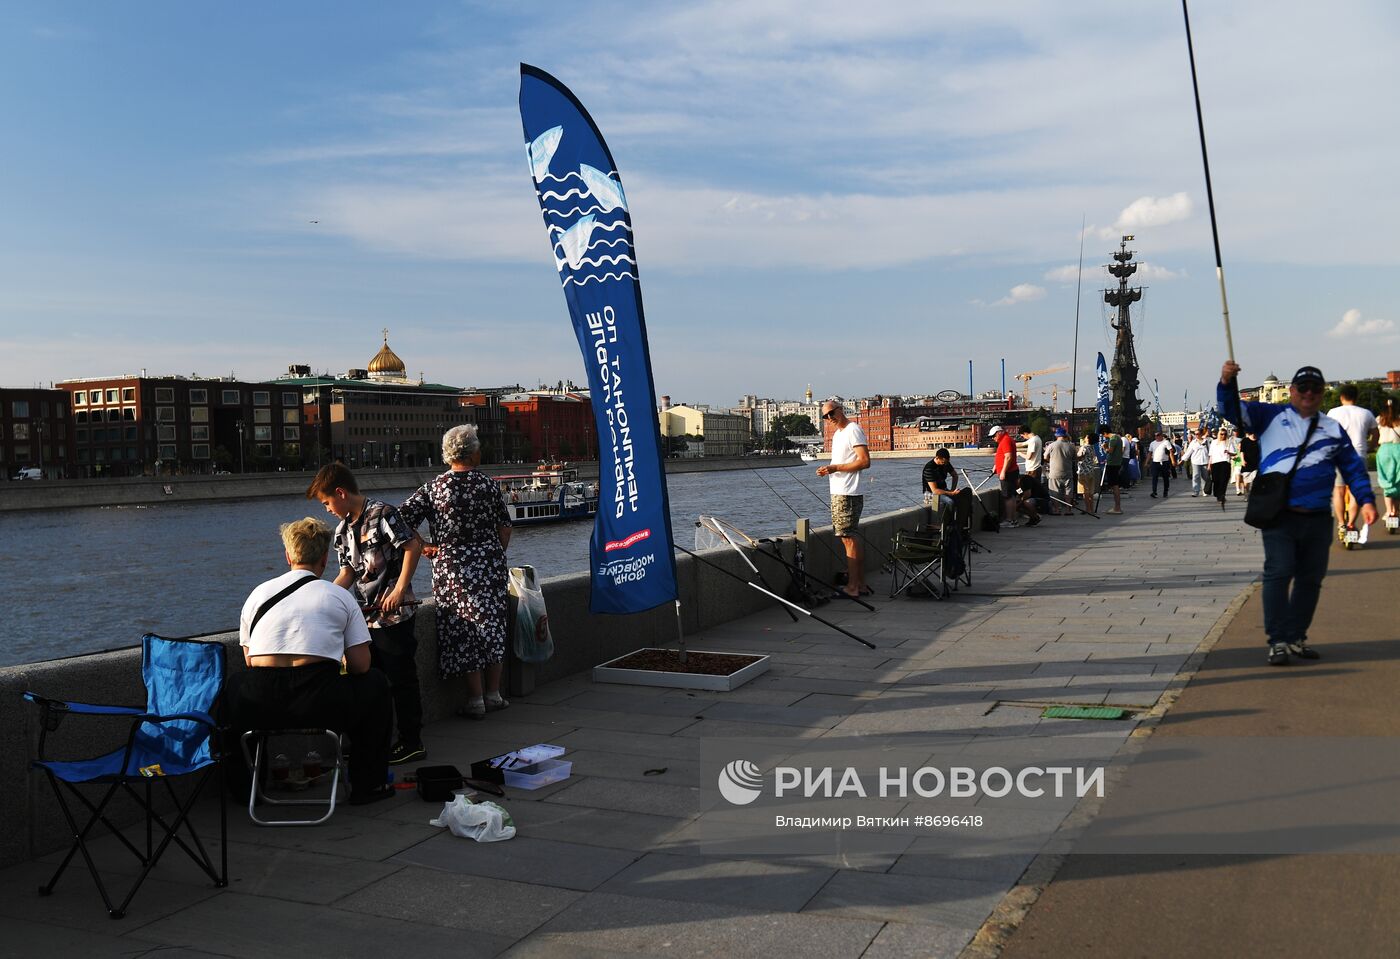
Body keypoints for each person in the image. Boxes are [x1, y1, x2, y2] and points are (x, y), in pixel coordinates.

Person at [224, 517, 394, 805]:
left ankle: (244, 791)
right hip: (320, 705)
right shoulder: (339, 596)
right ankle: (368, 785)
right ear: (325, 558)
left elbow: (251, 661)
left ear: (288, 555)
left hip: (261, 706)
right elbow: (361, 666)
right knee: (375, 683)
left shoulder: (257, 595)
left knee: (236, 686)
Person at [1219, 361, 1376, 665]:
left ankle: (1295, 637)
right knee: (1279, 573)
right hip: (1280, 515)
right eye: (1302, 387)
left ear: (1322, 393)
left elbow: (1353, 468)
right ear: (1291, 391)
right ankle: (1277, 640)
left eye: (1315, 388)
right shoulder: (1269, 416)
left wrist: (1366, 500)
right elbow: (1231, 411)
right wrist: (1226, 382)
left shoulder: (1332, 428)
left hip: (1317, 516)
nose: (1309, 393)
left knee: (1310, 579)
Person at [308, 464, 425, 766]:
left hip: (393, 614)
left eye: (327, 502)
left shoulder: (383, 513)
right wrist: (324, 594)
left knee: (402, 678)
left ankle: (412, 741)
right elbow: (348, 571)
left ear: (341, 493)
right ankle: (375, 740)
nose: (328, 509)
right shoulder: (342, 530)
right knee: (370, 681)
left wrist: (399, 590)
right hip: (364, 616)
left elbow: (412, 546)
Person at [399, 424, 513, 719]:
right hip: (488, 565)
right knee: (492, 626)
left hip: (451, 567)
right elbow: (504, 525)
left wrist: (425, 545)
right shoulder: (488, 485)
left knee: (463, 628)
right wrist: (495, 551)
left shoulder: (434, 488)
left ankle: (474, 700)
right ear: (473, 453)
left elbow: (399, 521)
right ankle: (494, 694)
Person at [816, 402, 872, 597]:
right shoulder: (839, 434)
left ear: (841, 409)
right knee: (851, 539)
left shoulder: (852, 429)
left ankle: (853, 587)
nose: (829, 417)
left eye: (831, 413)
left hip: (847, 493)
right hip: (841, 492)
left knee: (849, 539)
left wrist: (835, 468)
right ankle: (861, 585)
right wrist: (829, 469)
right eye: (825, 416)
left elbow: (865, 461)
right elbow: (844, 461)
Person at [1326, 384, 1378, 538]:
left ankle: (1341, 523)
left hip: (1338, 455)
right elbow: (1376, 434)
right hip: (1359, 454)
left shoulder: (1333, 413)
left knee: (1339, 491)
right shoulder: (1366, 414)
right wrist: (1371, 447)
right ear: (1356, 397)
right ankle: (1351, 524)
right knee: (1356, 492)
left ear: (1341, 397)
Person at [991, 425, 1021, 527]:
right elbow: (1005, 457)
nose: (993, 438)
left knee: (1008, 497)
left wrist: (1003, 471)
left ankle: (1009, 520)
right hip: (1012, 471)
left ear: (999, 433)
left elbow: (1008, 457)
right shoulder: (1007, 439)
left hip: (1008, 473)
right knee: (1012, 496)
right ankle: (1014, 520)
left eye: (993, 436)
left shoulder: (1005, 441)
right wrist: (997, 466)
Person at [1377, 401, 1400, 524]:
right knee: (1398, 484)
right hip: (1399, 449)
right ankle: (1396, 511)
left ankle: (1389, 511)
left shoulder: (1380, 421)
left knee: (1387, 483)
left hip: (1384, 451)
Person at [1045, 428, 1077, 515]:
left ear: (1056, 436)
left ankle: (1057, 509)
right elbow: (1075, 458)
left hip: (1054, 473)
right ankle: (1068, 510)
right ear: (1065, 436)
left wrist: (1051, 460)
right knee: (1068, 492)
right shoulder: (1071, 446)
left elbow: (1045, 457)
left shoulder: (1051, 445)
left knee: (1054, 492)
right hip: (1068, 472)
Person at [920, 447, 958, 518]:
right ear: (937, 458)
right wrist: (951, 493)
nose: (944, 464)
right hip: (931, 492)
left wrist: (952, 489)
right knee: (950, 502)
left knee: (961, 498)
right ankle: (948, 523)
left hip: (943, 489)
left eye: (946, 462)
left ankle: (958, 521)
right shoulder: (929, 468)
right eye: (943, 462)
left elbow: (955, 476)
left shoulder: (946, 463)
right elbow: (935, 491)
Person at [1207, 426, 1237, 509]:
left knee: (1224, 480)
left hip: (1225, 463)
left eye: (1224, 434)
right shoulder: (1214, 442)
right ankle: (1217, 494)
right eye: (1221, 434)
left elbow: (1234, 453)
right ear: (1218, 434)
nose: (1223, 436)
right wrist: (1209, 465)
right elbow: (1211, 455)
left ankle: (1221, 495)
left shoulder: (1228, 442)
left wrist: (1229, 452)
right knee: (1216, 480)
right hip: (1215, 463)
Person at [1019, 424, 1046, 512]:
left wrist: (1019, 453)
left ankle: (1033, 512)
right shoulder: (1037, 438)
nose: (1023, 437)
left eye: (1022, 435)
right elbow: (1023, 444)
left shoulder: (1032, 441)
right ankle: (1036, 510)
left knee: (1030, 492)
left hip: (1032, 469)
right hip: (1037, 468)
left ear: (1025, 433)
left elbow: (1029, 456)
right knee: (1035, 490)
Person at [1101, 425, 1124, 515]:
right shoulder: (1118, 438)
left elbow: (1110, 451)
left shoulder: (1113, 439)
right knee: (1115, 485)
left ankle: (1117, 507)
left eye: (1103, 435)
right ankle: (1116, 506)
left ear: (1105, 433)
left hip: (1112, 464)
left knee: (1114, 485)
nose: (1104, 437)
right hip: (1117, 463)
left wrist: (1104, 448)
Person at [1077, 432, 1101, 514]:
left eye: (1086, 436)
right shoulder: (1092, 447)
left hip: (1083, 471)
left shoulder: (1084, 447)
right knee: (1091, 491)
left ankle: (1087, 509)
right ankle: (1092, 508)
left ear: (1088, 439)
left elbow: (1079, 456)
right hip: (1091, 470)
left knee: (1085, 492)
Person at [1183, 428, 1211, 496]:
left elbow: (1211, 451)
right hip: (1195, 461)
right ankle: (1196, 491)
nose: (1196, 435)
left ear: (1201, 434)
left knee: (1205, 477)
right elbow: (1188, 452)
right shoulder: (1193, 442)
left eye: (1198, 434)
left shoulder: (1206, 441)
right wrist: (1183, 459)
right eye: (1195, 434)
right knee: (1196, 476)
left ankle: (1205, 490)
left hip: (1205, 461)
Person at [1148, 430, 1175, 498]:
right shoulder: (1152, 443)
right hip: (1155, 462)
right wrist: (1146, 462)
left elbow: (1171, 451)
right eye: (1156, 435)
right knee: (1154, 477)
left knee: (1165, 477)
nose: (1157, 437)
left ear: (1161, 435)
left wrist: (1173, 461)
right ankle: (1154, 492)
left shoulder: (1166, 442)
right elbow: (1150, 453)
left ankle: (1165, 491)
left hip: (1164, 462)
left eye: (1158, 435)